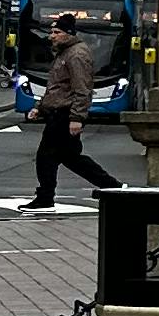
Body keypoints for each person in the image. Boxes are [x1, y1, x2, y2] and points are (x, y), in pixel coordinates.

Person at [29, 18, 118, 209]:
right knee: (69, 158)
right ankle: (113, 187)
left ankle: (45, 198)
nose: (51, 37)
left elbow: (82, 88)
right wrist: (40, 107)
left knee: (48, 157)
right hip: (58, 113)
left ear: (68, 33)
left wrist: (77, 118)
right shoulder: (64, 53)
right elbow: (56, 87)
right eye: (51, 33)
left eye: (56, 33)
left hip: (65, 114)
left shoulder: (76, 55)